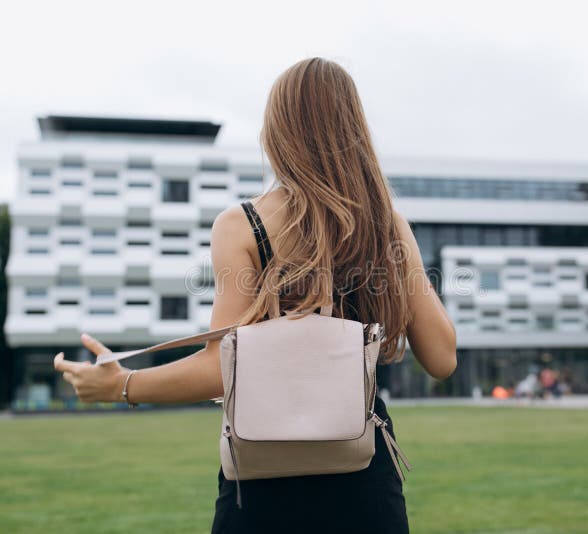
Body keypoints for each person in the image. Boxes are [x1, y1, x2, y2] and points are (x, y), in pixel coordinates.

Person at [53, 57, 457, 534]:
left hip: (263, 477)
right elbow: (441, 358)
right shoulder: (387, 226)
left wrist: (120, 386)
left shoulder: (243, 225)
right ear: (354, 127)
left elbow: (219, 368)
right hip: (364, 479)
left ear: (278, 131)